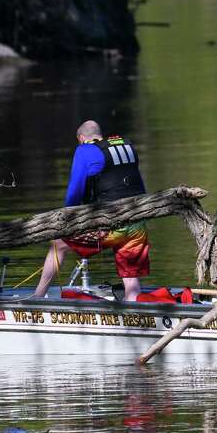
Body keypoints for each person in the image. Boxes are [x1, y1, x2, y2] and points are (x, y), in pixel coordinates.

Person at [32, 120, 151, 300]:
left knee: (58, 244)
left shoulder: (84, 150)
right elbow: (139, 186)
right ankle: (134, 309)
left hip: (109, 226)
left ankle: (38, 296)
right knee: (132, 286)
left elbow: (74, 193)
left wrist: (66, 224)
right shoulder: (126, 147)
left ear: (81, 138)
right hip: (137, 225)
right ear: (99, 135)